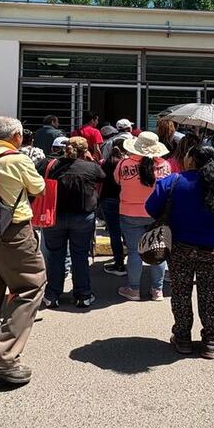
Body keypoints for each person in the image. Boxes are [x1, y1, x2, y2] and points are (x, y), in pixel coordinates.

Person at [146, 146, 214, 359]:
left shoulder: (173, 181)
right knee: (211, 294)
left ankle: (182, 337)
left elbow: (151, 206)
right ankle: (211, 340)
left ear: (191, 159)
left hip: (181, 248)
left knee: (181, 292)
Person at [0, 116, 47, 385]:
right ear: (16, 136)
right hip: (12, 231)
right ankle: (2, 357)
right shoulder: (16, 159)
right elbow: (39, 187)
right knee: (31, 287)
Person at [43, 137, 105, 309]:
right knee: (80, 255)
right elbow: (102, 177)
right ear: (85, 150)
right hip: (82, 216)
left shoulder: (50, 165)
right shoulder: (90, 167)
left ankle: (52, 294)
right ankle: (83, 294)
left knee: (55, 255)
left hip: (54, 215)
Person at [115, 132, 172, 301]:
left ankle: (133, 289)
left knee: (134, 252)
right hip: (156, 214)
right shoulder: (165, 165)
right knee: (158, 252)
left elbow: (117, 181)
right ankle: (157, 290)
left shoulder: (124, 164)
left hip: (129, 213)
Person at [100, 139, 128, 277]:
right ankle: (132, 258)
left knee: (114, 233)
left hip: (108, 199)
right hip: (125, 200)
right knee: (126, 231)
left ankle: (119, 263)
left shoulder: (106, 162)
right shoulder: (126, 164)